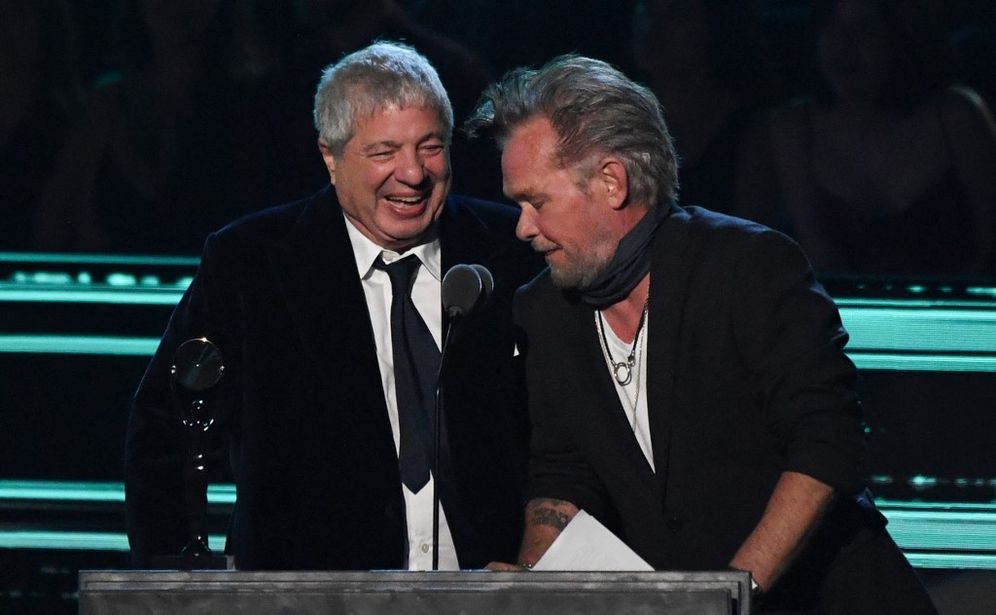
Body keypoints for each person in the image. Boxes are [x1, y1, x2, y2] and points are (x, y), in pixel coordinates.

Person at [465, 55, 938, 613]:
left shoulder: (750, 266)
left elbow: (826, 445)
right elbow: (563, 472)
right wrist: (532, 583)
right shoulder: (543, 309)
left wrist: (729, 595)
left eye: (536, 202)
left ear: (611, 182)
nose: (522, 227)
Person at [125, 41, 541, 571]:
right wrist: (173, 585)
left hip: (492, 595)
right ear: (331, 156)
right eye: (384, 152)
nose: (412, 174)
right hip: (310, 597)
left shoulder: (512, 250)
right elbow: (166, 429)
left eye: (430, 147)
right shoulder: (253, 264)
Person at [769, 0, 996, 276]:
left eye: (865, 29)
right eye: (830, 25)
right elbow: (817, 262)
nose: (843, 44)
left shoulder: (957, 117)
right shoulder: (795, 128)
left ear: (901, 36)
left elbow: (990, 250)